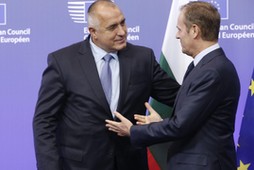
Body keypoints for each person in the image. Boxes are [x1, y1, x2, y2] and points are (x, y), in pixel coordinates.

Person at [32, 0, 180, 170]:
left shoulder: (143, 58)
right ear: (93, 32)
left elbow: (181, 99)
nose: (122, 32)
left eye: (123, 22)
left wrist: (162, 124)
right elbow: (44, 120)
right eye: (112, 27)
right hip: (80, 165)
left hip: (131, 163)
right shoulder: (63, 62)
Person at [106, 1, 241, 170]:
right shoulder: (204, 66)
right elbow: (193, 120)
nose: (177, 36)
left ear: (194, 30)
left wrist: (133, 131)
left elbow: (180, 126)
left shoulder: (212, 71)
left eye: (179, 29)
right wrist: (159, 122)